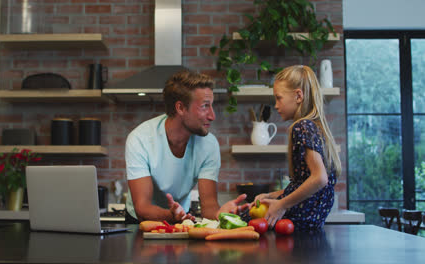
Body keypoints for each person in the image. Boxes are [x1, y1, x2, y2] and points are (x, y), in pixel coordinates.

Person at [125, 70, 248, 224]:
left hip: (182, 217)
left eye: (212, 106)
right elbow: (142, 207)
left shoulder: (209, 145)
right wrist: (172, 216)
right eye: (205, 106)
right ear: (181, 108)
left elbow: (208, 206)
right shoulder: (140, 139)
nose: (212, 116)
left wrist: (221, 214)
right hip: (140, 222)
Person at [253, 65, 341, 230]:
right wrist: (270, 195)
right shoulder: (317, 127)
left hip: (298, 219)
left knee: (240, 218)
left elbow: (320, 178)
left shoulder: (301, 126)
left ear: (298, 96)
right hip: (311, 222)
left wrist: (282, 205)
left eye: (279, 98)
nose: (276, 105)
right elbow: (302, 184)